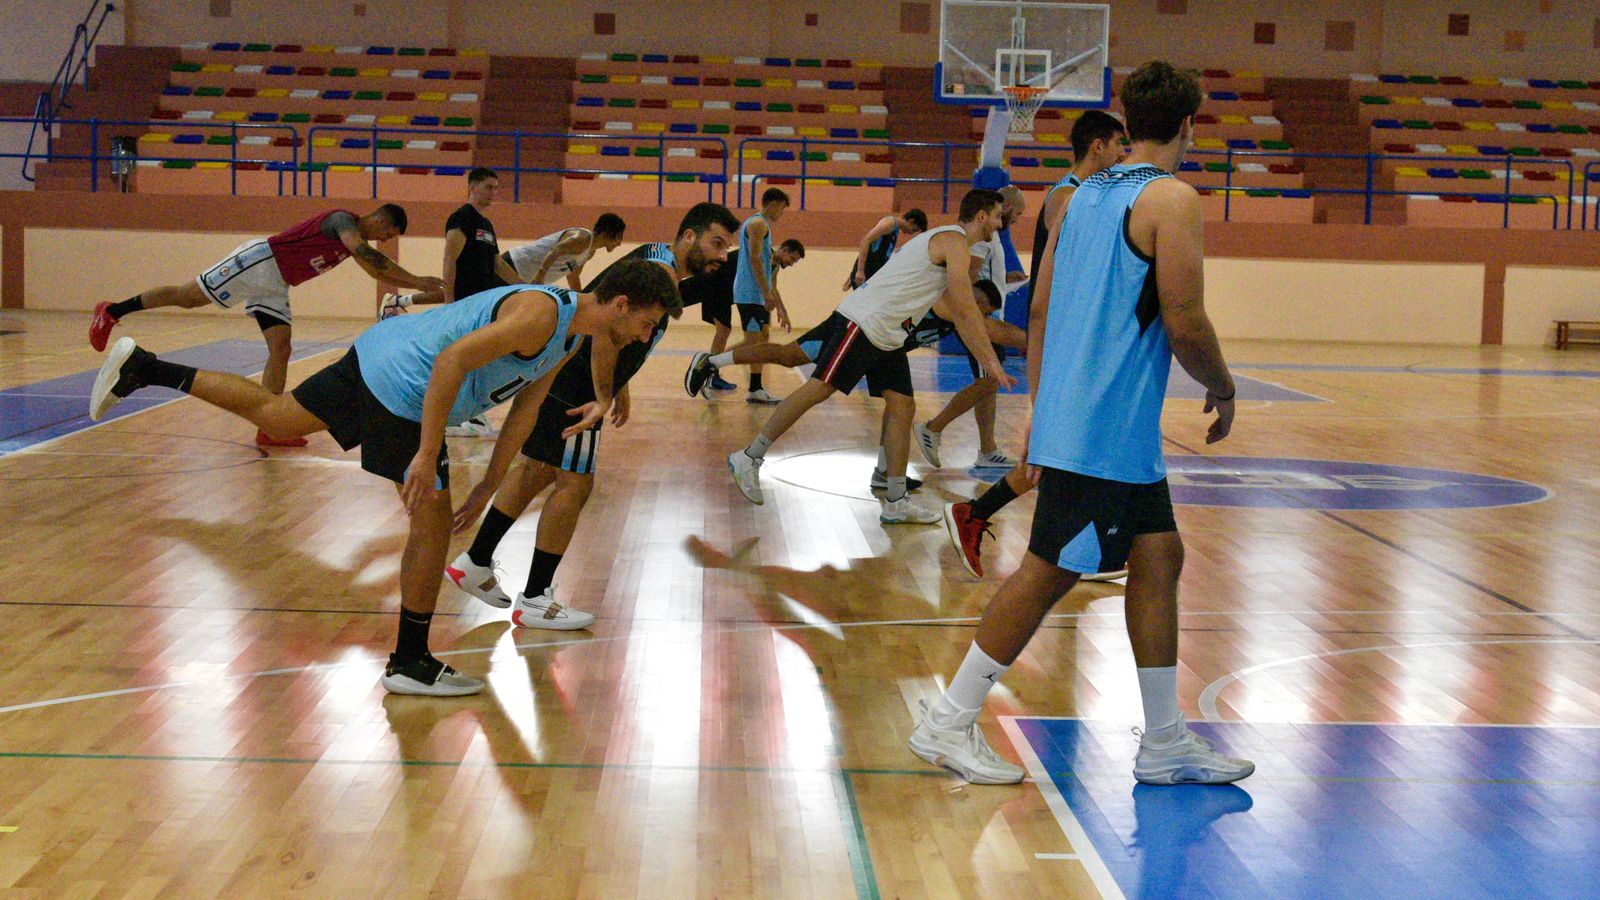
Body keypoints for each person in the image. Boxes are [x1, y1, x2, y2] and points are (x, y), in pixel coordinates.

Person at [89, 259, 681, 696]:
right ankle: (411, 662)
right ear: (621, 304)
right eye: (647, 323)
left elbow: (525, 411)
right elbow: (451, 363)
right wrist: (428, 453)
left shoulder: (567, 338)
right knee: (431, 524)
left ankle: (144, 366)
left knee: (278, 414)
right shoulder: (541, 315)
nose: (643, 336)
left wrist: (489, 482)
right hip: (405, 388)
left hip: (378, 353)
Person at [908, 61, 1253, 787]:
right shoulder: (1173, 199)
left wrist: (1042, 404)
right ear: (1189, 125)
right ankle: (947, 721)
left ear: (1126, 122)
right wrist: (1222, 385)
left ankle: (1164, 740)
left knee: (1160, 558)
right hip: (1102, 427)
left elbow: (1036, 311)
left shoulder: (1079, 197)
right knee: (1048, 573)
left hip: (1105, 425)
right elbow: (1185, 319)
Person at [446, 203, 741, 624]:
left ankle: (474, 562)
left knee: (537, 470)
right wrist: (604, 392)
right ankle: (534, 598)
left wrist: (620, 383)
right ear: (689, 237)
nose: (720, 255)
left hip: (562, 370)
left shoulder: (657, 261)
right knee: (575, 484)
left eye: (725, 247)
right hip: (578, 384)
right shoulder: (658, 272)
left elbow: (617, 327)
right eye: (716, 243)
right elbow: (607, 327)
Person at [723, 189, 1015, 524]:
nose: (999, 221)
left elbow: (958, 307)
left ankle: (895, 500)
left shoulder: (948, 242)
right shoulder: (954, 240)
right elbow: (965, 308)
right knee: (819, 388)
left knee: (903, 406)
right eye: (996, 215)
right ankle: (750, 456)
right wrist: (991, 362)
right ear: (981, 216)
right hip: (865, 322)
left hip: (889, 334)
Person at [942, 110, 1128, 578]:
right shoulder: (1068, 197)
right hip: (1070, 346)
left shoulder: (1082, 196)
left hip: (1079, 342)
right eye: (1119, 144)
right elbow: (1056, 292)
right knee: (1065, 452)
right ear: (1098, 147)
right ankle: (991, 519)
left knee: (1066, 453)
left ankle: (995, 519)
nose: (1124, 154)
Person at [87, 204, 443, 447]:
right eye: (388, 234)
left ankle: (270, 428)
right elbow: (371, 259)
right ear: (383, 221)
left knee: (281, 346)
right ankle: (114, 310)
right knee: (188, 295)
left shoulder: (353, 243)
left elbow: (372, 263)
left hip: (275, 283)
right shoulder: (342, 220)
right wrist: (417, 281)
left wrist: (414, 282)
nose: (385, 240)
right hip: (259, 262)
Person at [687, 279, 1022, 493]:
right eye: (986, 311)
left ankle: (885, 473)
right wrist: (1037, 337)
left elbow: (997, 330)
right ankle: (714, 366)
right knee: (796, 363)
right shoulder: (945, 302)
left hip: (882, 345)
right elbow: (996, 332)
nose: (986, 318)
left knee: (900, 404)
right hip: (858, 330)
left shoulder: (957, 316)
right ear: (977, 304)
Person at [913, 185, 1027, 470]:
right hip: (976, 319)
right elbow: (968, 279)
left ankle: (987, 450)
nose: (1014, 220)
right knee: (990, 381)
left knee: (989, 384)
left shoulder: (992, 237)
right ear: (1005, 209)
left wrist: (1006, 278)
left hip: (983, 315)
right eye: (1017, 214)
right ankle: (934, 427)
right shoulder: (982, 236)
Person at [681, 239, 805, 394]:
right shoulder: (762, 255)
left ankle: (711, 372)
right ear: (784, 250)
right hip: (715, 284)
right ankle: (709, 366)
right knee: (735, 334)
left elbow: (773, 286)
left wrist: (782, 310)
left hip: (726, 292)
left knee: (725, 331)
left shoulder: (773, 267)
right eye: (792, 259)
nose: (791, 264)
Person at [728, 188, 794, 404]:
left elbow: (767, 268)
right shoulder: (758, 224)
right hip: (750, 292)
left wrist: (780, 306)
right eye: (782, 208)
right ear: (773, 204)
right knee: (752, 341)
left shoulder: (762, 226)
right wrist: (766, 293)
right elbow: (755, 259)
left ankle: (755, 388)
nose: (782, 213)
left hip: (756, 293)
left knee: (762, 339)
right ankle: (709, 362)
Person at [502, 213, 627, 289]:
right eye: (618, 237)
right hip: (513, 265)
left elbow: (572, 276)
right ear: (606, 234)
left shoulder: (590, 252)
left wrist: (581, 299)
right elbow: (556, 250)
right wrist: (540, 276)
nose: (620, 243)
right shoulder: (582, 238)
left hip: (525, 278)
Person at [844, 209, 928, 289]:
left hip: (874, 272)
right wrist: (859, 271)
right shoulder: (889, 223)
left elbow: (871, 247)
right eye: (914, 229)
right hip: (867, 271)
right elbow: (865, 241)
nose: (911, 233)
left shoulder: (895, 230)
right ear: (911, 221)